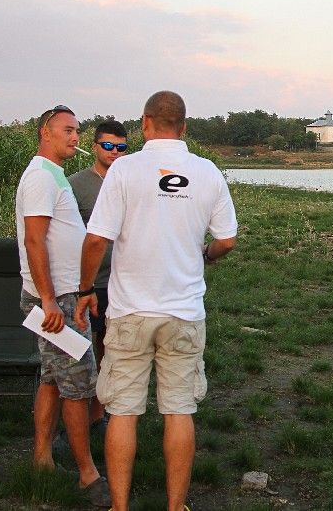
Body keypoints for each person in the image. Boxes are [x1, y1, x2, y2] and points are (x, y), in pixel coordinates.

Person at [74, 91, 237, 511]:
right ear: (184, 127)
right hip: (183, 311)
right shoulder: (207, 172)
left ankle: (119, 507)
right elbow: (227, 239)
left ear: (145, 123)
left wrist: (85, 290)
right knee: (179, 411)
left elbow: (96, 239)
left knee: (123, 412)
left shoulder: (124, 170)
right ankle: (175, 506)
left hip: (130, 310)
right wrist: (206, 255)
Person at [16, 104, 109, 507]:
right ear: (45, 132)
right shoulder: (40, 177)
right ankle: (88, 474)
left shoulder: (52, 174)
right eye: (67, 130)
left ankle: (41, 459)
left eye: (77, 131)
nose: (75, 137)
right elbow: (33, 240)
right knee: (79, 383)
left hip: (65, 295)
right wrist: (50, 300)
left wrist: (79, 290)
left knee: (53, 379)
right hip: (54, 302)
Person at [68, 118, 129, 429]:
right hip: (88, 283)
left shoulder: (131, 182)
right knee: (81, 347)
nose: (114, 152)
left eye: (121, 147)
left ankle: (100, 413)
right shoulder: (75, 184)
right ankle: (75, 413)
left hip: (122, 282)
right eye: (107, 145)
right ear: (94, 147)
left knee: (110, 347)